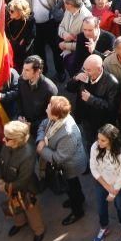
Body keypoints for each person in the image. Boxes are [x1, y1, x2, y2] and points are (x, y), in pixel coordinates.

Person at [36, 96, 88, 226]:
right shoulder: (54, 119)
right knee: (73, 185)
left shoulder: (68, 133)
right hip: (65, 163)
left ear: (56, 114)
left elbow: (59, 157)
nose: (47, 107)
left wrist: (41, 150)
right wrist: (42, 139)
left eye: (49, 106)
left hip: (70, 166)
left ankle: (77, 211)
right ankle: (79, 199)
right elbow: (43, 125)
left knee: (72, 187)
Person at [0, 120, 45, 241]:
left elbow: (24, 180)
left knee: (30, 209)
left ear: (16, 140)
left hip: (26, 189)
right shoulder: (7, 145)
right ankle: (20, 223)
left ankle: (39, 230)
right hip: (9, 186)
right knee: (15, 207)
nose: (3, 140)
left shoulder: (27, 154)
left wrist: (6, 186)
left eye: (7, 138)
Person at [89, 123, 121, 241]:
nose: (99, 142)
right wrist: (108, 187)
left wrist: (114, 192)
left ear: (112, 140)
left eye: (103, 140)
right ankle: (104, 227)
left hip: (119, 185)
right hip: (101, 183)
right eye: (98, 138)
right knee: (101, 206)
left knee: (119, 205)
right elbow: (93, 167)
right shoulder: (95, 147)